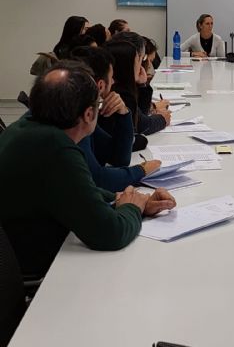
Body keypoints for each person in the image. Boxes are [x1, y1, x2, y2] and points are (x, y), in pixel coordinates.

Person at [0, 61, 176, 278]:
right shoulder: (56, 148)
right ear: (89, 115)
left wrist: (131, 199)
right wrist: (132, 209)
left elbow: (80, 188)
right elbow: (110, 233)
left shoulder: (25, 127)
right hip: (41, 267)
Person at [72, 46, 161, 192]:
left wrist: (123, 112)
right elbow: (98, 179)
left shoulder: (82, 108)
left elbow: (119, 158)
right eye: (111, 77)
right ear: (100, 85)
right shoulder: (74, 118)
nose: (113, 82)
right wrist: (141, 171)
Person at [102, 37, 170, 138]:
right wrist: (162, 119)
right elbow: (140, 126)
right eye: (140, 60)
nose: (142, 66)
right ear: (128, 65)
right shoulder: (120, 92)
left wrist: (143, 85)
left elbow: (141, 112)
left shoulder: (124, 87)